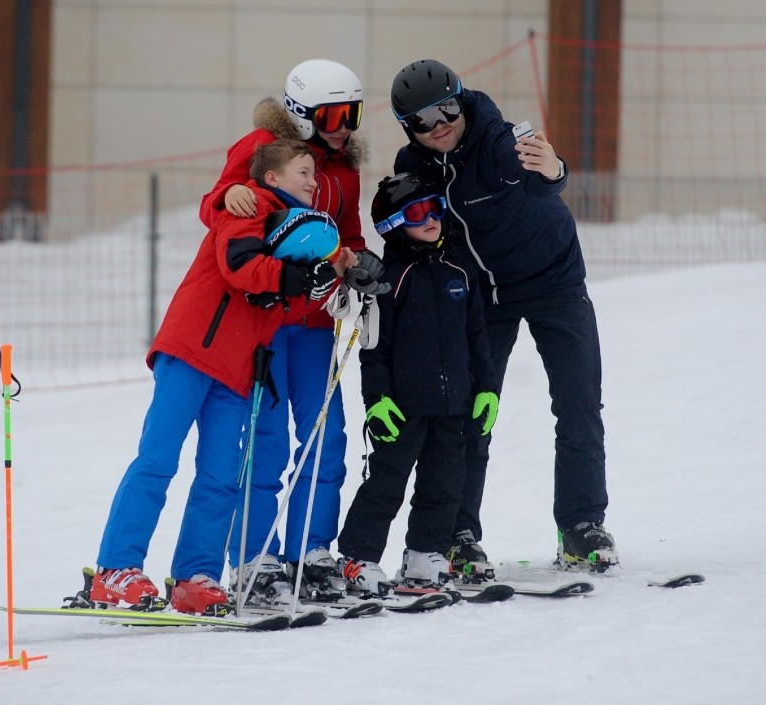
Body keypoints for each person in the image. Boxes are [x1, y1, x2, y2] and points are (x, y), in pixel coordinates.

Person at [91, 139, 354, 614]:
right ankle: (114, 569)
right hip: (193, 350)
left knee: (220, 477)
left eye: (315, 174)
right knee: (158, 459)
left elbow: (283, 303)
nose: (313, 181)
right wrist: (288, 277)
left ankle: (196, 575)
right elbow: (240, 266)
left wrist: (334, 273)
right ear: (272, 177)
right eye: (303, 171)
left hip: (236, 373)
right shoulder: (249, 204)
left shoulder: (300, 233)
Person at [389, 59, 618, 574]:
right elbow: (406, 226)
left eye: (446, 108)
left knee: (578, 403)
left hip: (553, 282)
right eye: (422, 120)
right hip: (481, 298)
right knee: (468, 414)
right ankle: (458, 533)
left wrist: (553, 167)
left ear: (462, 99)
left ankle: (581, 525)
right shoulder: (415, 164)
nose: (439, 124)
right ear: (409, 128)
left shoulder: (499, 139)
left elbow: (542, 180)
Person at [200, 59, 386, 602]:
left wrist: (361, 261)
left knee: (327, 436)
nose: (343, 124)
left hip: (315, 320)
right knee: (268, 439)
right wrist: (223, 198)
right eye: (332, 113)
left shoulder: (344, 171)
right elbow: (221, 207)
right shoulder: (262, 147)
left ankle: (310, 550)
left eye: (350, 113)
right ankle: (255, 560)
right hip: (266, 320)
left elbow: (346, 234)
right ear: (303, 111)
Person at [336, 172, 499, 595]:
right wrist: (377, 400)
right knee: (385, 484)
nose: (430, 219)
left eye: (435, 209)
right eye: (416, 213)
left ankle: (425, 553)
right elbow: (374, 349)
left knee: (445, 484)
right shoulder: (389, 280)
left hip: (455, 405)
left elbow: (478, 339)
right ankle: (358, 557)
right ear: (392, 225)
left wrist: (486, 389)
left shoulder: (460, 271)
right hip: (403, 406)